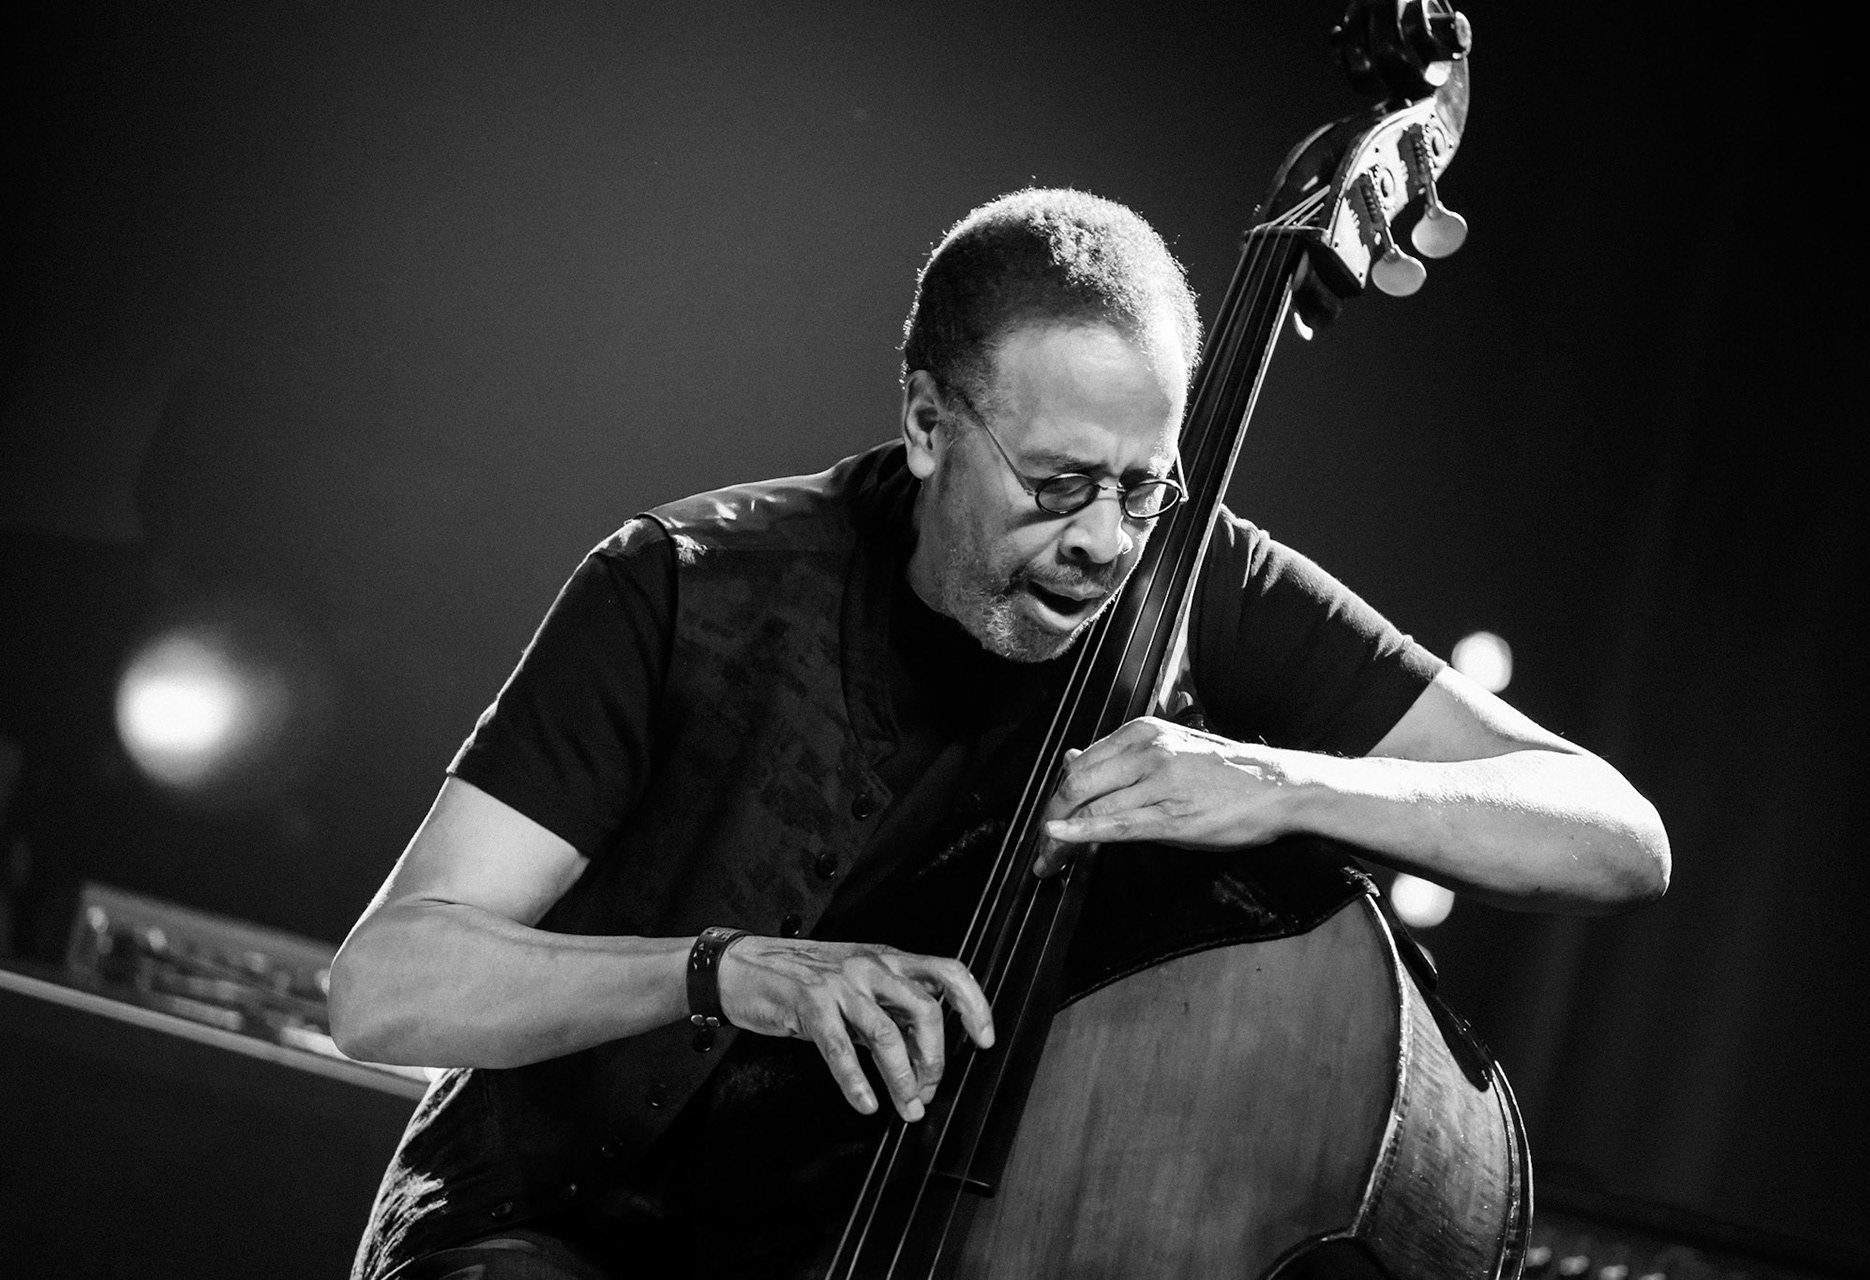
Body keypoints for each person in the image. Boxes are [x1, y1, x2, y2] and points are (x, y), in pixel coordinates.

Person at [330, 188, 1668, 1280]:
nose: (1102, 539)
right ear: (925, 424)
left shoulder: (1204, 582)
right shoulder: (686, 581)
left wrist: (1281, 782)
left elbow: (1611, 835)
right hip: (551, 1236)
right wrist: (726, 974)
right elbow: (385, 987)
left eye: (1144, 488)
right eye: (1057, 484)